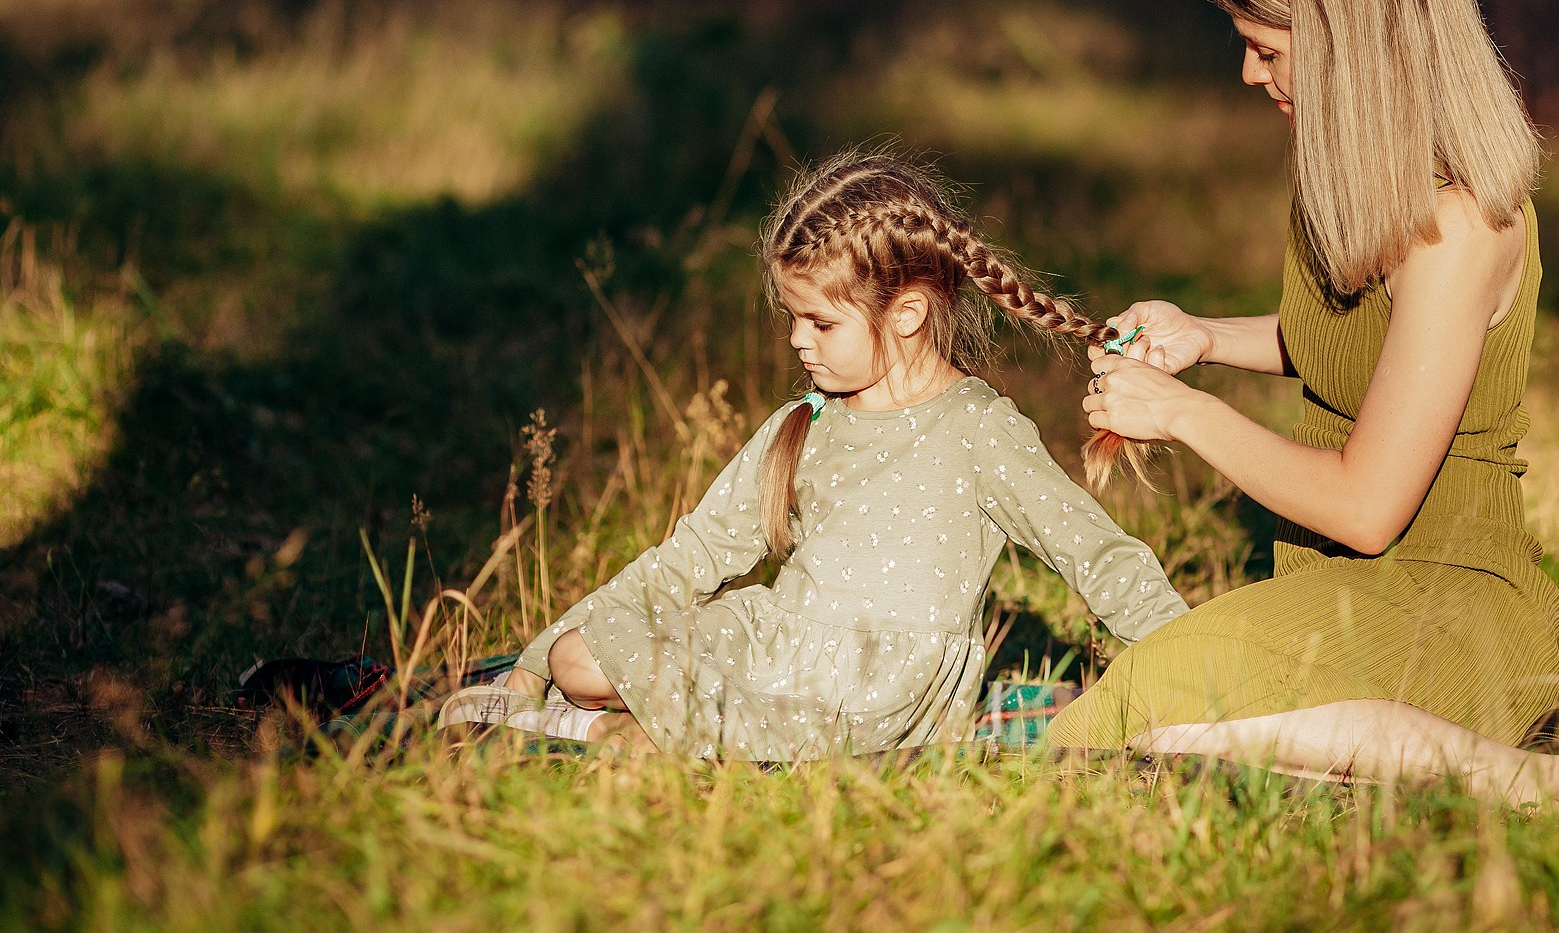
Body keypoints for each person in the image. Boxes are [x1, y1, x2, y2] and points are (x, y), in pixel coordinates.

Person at [1047, 0, 1559, 807]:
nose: (1248, 72)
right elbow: (1343, 344)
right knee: (1133, 721)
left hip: (1450, 593)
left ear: (1346, 42)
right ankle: (1388, 758)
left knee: (1124, 723)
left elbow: (1368, 508)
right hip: (1332, 583)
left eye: (1264, 47)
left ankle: (1512, 771)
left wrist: (1181, 413)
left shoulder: (1461, 226)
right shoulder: (1351, 177)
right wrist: (1202, 336)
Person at [438, 151, 1187, 758]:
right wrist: (536, 662)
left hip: (881, 691)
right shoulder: (805, 420)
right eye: (793, 317)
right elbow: (692, 556)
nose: (798, 340)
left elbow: (1097, 555)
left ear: (910, 313)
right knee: (579, 658)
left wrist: (1196, 670)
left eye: (820, 323)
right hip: (774, 643)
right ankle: (616, 728)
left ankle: (622, 735)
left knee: (655, 692)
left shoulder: (978, 431)